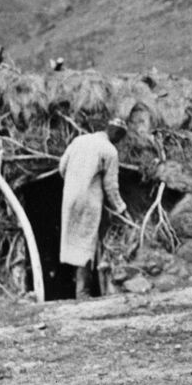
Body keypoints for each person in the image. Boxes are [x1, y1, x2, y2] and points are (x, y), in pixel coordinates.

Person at [59, 117, 131, 298]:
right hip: (89, 200)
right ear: (116, 134)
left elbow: (62, 167)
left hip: (69, 196)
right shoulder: (109, 150)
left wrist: (74, 183)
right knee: (86, 242)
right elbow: (110, 186)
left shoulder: (79, 140)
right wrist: (121, 209)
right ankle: (82, 292)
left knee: (73, 240)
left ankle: (78, 289)